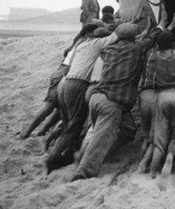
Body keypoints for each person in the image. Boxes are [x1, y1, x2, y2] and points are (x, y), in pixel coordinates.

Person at [71, 13, 167, 181]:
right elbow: (151, 39)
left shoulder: (109, 49)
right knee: (101, 138)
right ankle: (83, 172)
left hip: (96, 98)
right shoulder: (135, 49)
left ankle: (93, 155)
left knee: (128, 129)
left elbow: (140, 38)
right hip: (111, 103)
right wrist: (162, 24)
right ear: (133, 37)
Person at [44, 24, 118, 173]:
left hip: (65, 82)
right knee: (74, 127)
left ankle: (59, 152)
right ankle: (52, 160)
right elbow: (116, 36)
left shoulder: (83, 43)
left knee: (68, 124)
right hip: (78, 84)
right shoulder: (98, 44)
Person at [145, 2, 175, 183]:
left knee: (160, 133)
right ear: (173, 43)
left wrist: (170, 23)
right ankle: (171, 156)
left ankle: (154, 169)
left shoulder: (155, 55)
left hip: (163, 96)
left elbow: (157, 42)